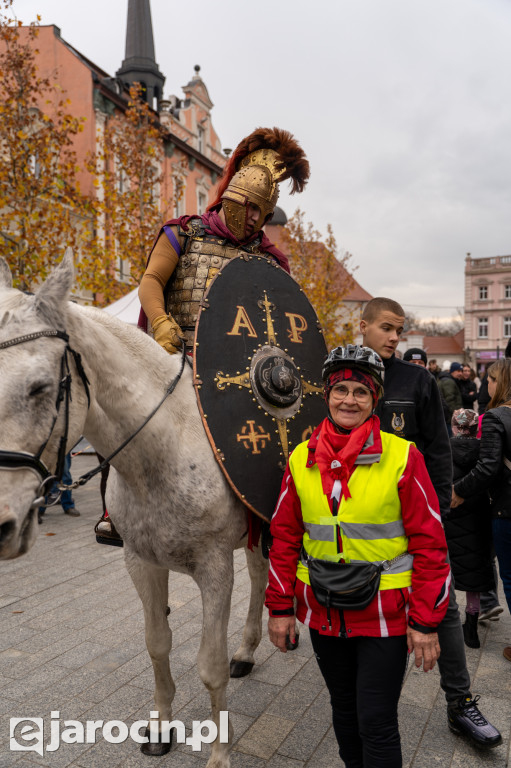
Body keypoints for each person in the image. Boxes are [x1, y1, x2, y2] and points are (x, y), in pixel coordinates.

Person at [95, 127, 309, 543]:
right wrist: (159, 322)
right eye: (248, 207)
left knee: (272, 437)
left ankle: (269, 516)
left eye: (261, 213)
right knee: (124, 414)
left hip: (241, 368)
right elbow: (151, 281)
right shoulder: (185, 232)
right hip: (174, 354)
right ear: (232, 197)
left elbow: (279, 321)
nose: (252, 219)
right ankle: (114, 512)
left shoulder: (269, 260)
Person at [266, 345, 450, 768]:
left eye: (360, 393)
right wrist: (279, 608)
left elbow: (431, 545)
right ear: (327, 395)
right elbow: (284, 539)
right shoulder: (301, 458)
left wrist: (425, 622)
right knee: (344, 712)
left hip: (385, 614)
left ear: (375, 400)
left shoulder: (403, 457)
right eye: (340, 390)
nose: (349, 399)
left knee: (376, 720)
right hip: (323, 611)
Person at [359, 297, 501, 748]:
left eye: (399, 330)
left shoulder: (417, 379)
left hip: (413, 520)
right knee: (362, 608)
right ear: (362, 327)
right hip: (358, 528)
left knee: (442, 608)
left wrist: (438, 510)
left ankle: (460, 703)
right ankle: (367, 704)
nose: (394, 337)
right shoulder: (343, 379)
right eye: (386, 328)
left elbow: (439, 450)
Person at [452, 358, 511, 663]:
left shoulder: (495, 418)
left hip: (497, 510)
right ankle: (475, 622)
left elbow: (488, 467)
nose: (486, 384)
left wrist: (458, 492)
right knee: (491, 575)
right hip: (494, 515)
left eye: (490, 378)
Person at [445, 409, 495, 649]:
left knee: (445, 571)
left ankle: (446, 623)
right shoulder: (484, 452)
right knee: (474, 573)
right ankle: (471, 630)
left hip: (449, 517)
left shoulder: (443, 450)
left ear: (453, 427)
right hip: (477, 519)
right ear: (477, 429)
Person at [38, 452, 80, 523]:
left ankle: (68, 505)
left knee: (66, 475)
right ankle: (40, 507)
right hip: (46, 446)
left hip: (63, 446)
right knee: (43, 475)